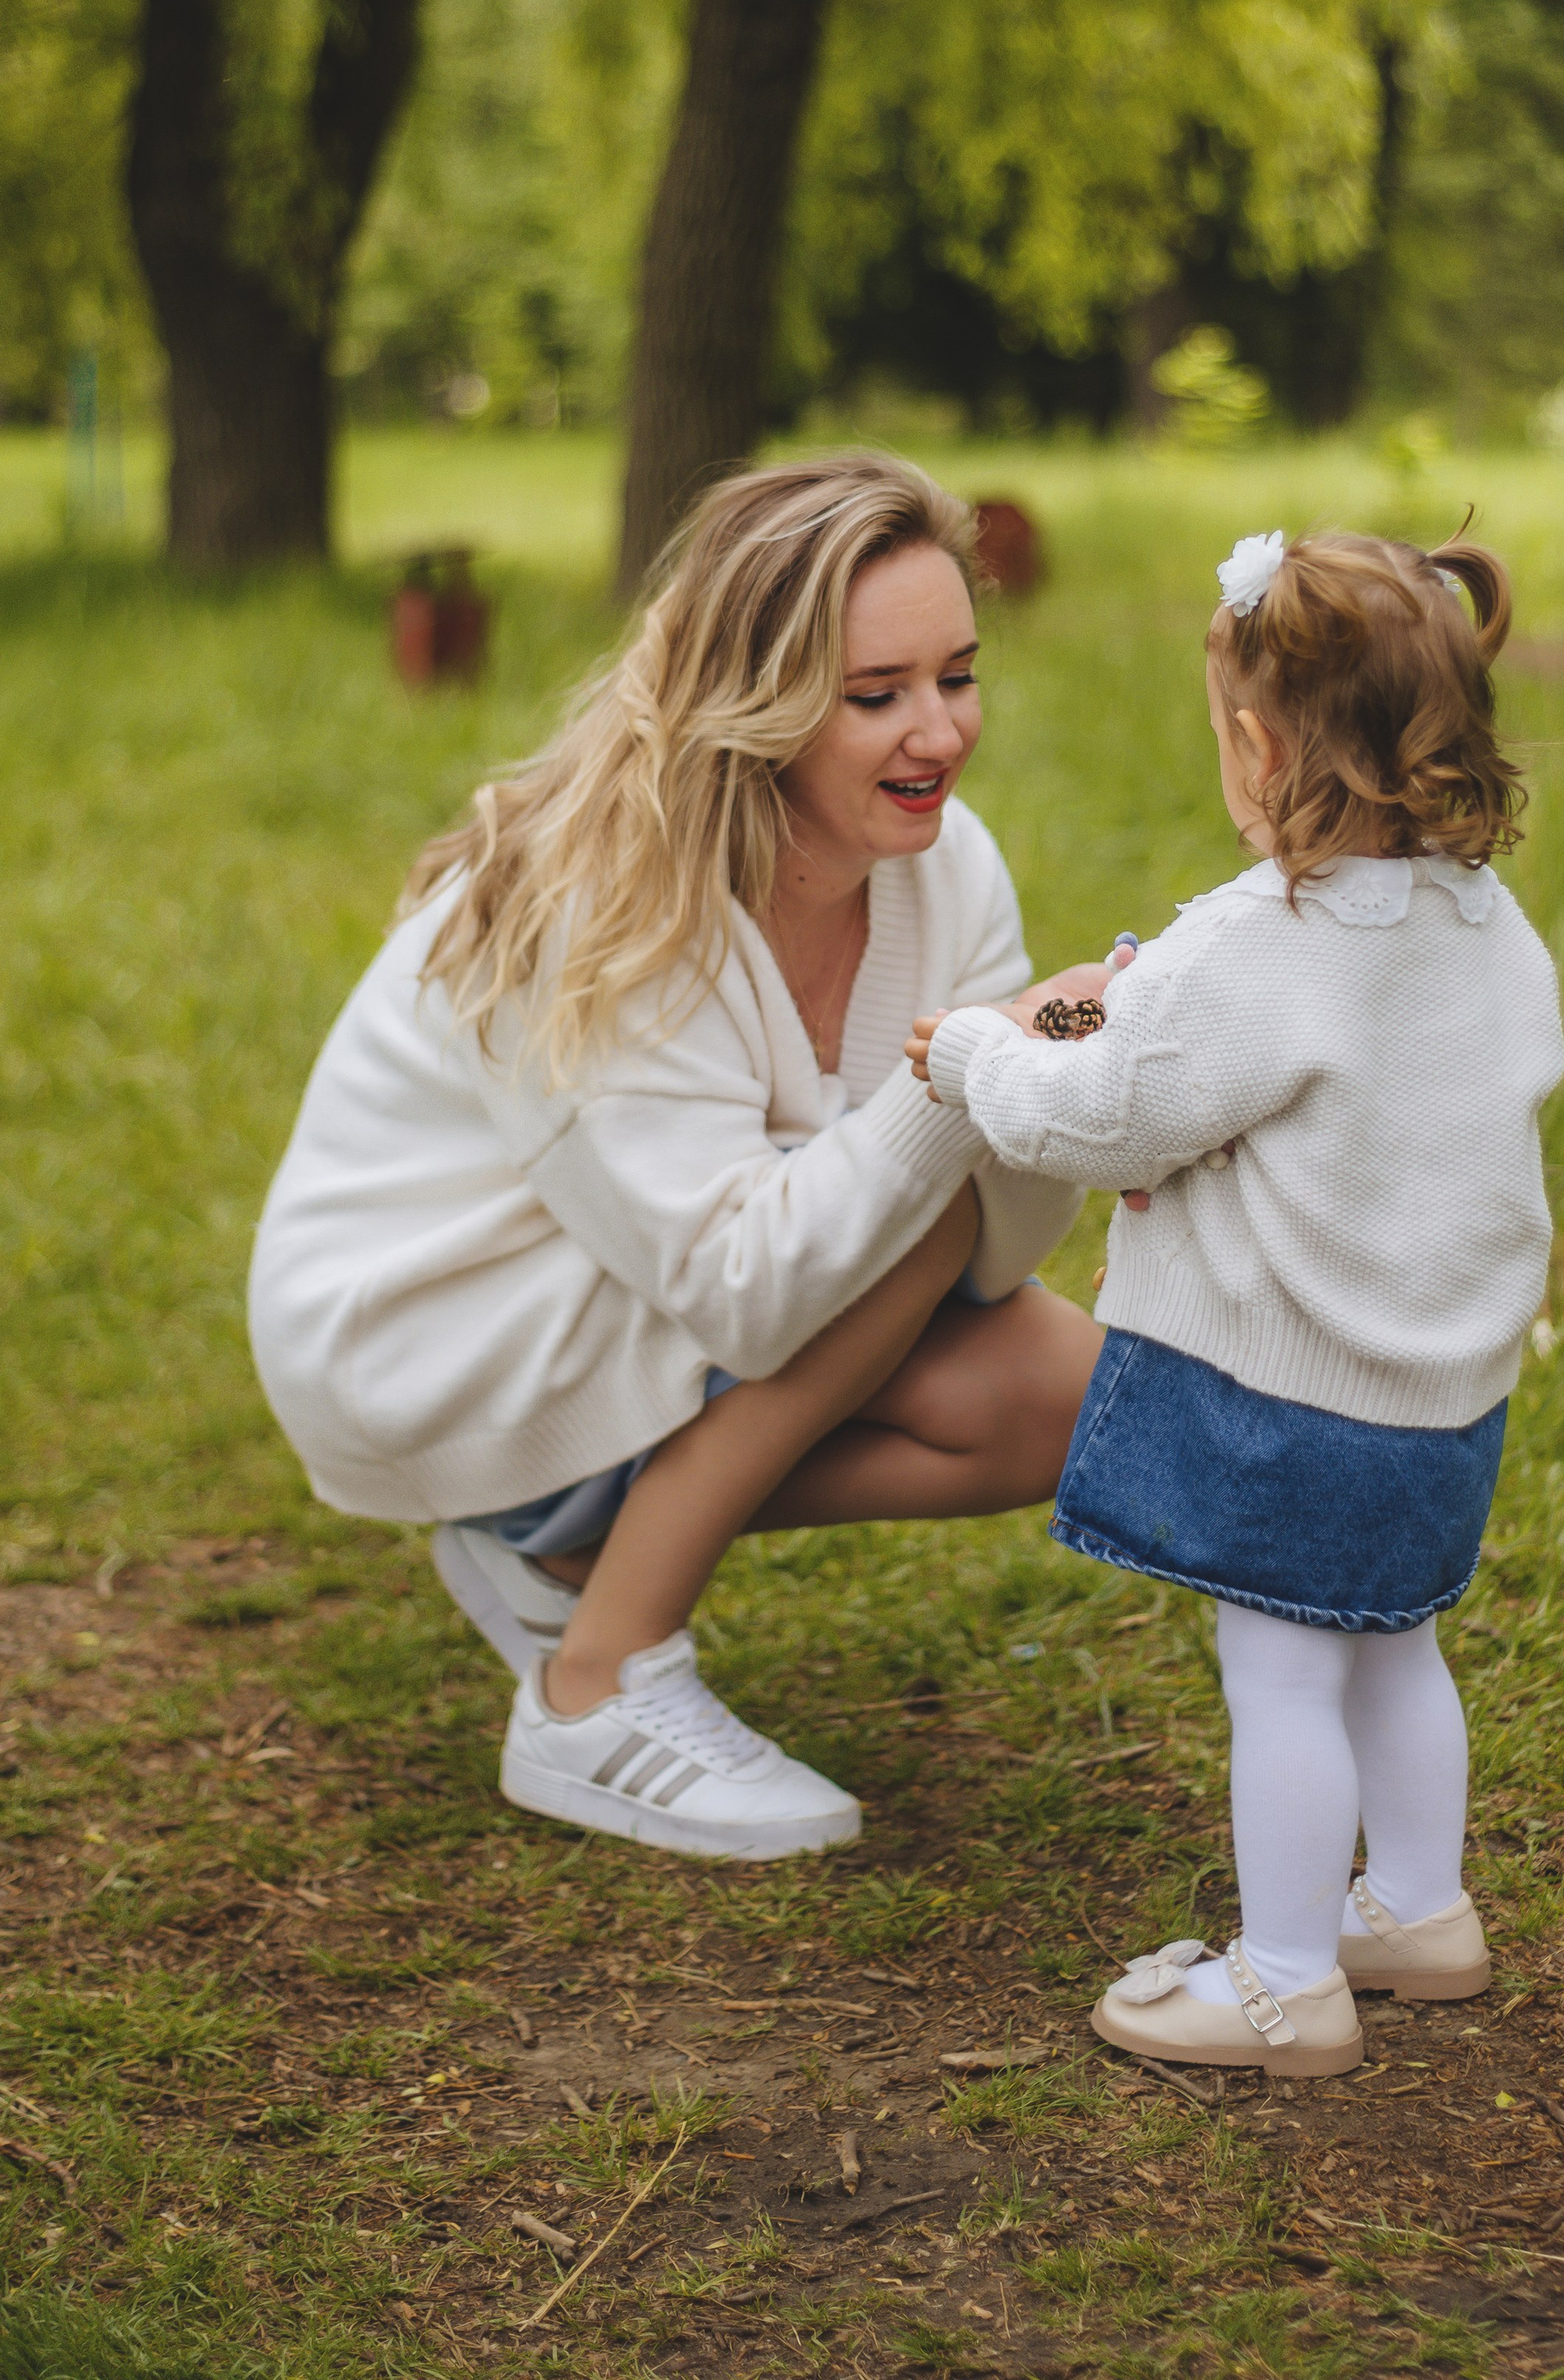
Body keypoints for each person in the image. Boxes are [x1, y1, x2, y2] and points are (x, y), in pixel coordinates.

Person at [249, 453, 1111, 1861]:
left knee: (1063, 1396)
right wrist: (967, 1073)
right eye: (875, 695)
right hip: (431, 1328)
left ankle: (576, 1553)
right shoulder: (597, 900)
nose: (941, 732)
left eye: (957, 677)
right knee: (918, 1210)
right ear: (752, 703)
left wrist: (1051, 1077)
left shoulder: (948, 868)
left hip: (685, 1286)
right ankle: (595, 1688)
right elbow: (748, 1293)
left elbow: (999, 1249)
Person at [907, 526, 1564, 2077]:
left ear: (1260, 747)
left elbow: (1109, 1121)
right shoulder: (1487, 926)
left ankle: (1283, 1985)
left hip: (1290, 1400)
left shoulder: (1263, 941)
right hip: (1438, 1403)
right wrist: (1153, 998)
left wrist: (980, 1056)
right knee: (1394, 1647)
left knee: (1279, 1680)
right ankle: (1418, 1910)